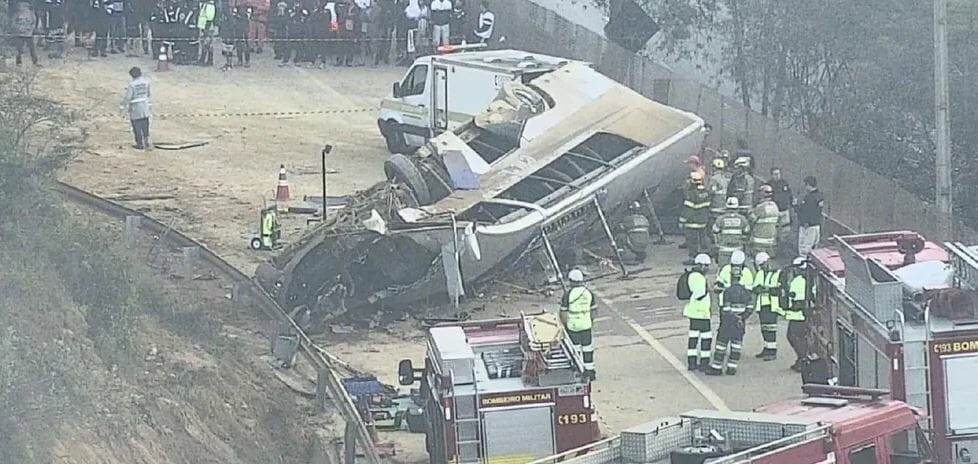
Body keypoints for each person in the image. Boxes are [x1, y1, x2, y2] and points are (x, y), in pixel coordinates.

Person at [706, 264, 753, 376]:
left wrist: (734, 317)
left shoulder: (728, 291)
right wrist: (741, 318)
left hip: (728, 323)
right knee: (736, 346)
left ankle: (717, 368)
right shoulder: (746, 292)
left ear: (732, 277)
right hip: (740, 324)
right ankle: (732, 368)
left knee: (721, 345)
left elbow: (726, 309)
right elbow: (750, 308)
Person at [560, 269, 596, 381]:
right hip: (586, 325)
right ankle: (590, 371)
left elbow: (563, 313)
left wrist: (565, 324)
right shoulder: (588, 293)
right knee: (588, 349)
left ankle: (577, 370)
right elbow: (594, 311)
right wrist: (589, 321)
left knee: (575, 350)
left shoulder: (568, 294)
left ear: (571, 281)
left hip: (573, 326)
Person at [683, 253, 712, 371]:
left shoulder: (691, 275)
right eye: (707, 266)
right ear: (701, 265)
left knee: (693, 337)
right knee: (706, 338)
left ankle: (692, 362)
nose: (708, 268)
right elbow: (700, 294)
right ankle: (704, 363)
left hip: (693, 312)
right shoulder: (699, 277)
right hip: (701, 313)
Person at [783, 257, 812, 372]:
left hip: (799, 314)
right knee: (797, 337)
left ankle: (803, 359)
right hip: (799, 314)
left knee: (794, 337)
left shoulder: (800, 280)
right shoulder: (805, 279)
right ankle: (801, 359)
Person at [752, 252, 780, 360]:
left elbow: (777, 288)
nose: (764, 266)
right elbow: (756, 288)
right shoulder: (760, 274)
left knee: (771, 328)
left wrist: (765, 289)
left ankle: (772, 351)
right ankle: (767, 348)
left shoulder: (776, 273)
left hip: (772, 304)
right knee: (764, 328)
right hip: (762, 304)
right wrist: (765, 289)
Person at [680, 171, 711, 265]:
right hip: (703, 221)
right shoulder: (705, 192)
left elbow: (688, 209)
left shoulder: (691, 194)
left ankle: (693, 258)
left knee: (692, 241)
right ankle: (704, 256)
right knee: (703, 240)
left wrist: (682, 220)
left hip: (692, 222)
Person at [712, 197, 750, 268]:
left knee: (723, 269)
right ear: (737, 208)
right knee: (737, 269)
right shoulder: (742, 219)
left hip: (724, 249)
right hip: (738, 248)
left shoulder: (720, 219)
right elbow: (747, 231)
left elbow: (715, 231)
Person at [120, 66, 152, 150]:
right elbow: (148, 94)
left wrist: (123, 106)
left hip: (135, 106)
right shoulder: (146, 82)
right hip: (145, 105)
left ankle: (140, 143)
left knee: (136, 125)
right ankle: (147, 141)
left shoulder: (132, 85)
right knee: (145, 124)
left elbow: (128, 97)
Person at [796, 176, 824, 258]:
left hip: (808, 227)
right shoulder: (819, 196)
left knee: (804, 248)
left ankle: (803, 266)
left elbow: (805, 211)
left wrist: (796, 206)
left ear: (808, 185)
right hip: (817, 225)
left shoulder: (810, 198)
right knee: (814, 248)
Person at [750, 184, 780, 260]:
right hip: (771, 241)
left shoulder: (760, 208)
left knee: (759, 261)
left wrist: (750, 212)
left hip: (759, 241)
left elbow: (751, 220)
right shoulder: (775, 206)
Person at [767, 167, 793, 244]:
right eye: (775, 174)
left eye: (778, 174)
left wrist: (791, 203)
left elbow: (789, 194)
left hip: (784, 210)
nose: (777, 176)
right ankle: (774, 242)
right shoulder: (769, 185)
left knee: (786, 229)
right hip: (775, 211)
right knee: (774, 228)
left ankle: (783, 243)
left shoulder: (784, 183)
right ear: (771, 175)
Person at [12, 0, 40, 66]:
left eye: (24, 6)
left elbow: (34, 22)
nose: (22, 7)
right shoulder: (17, 14)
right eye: (21, 6)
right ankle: (18, 62)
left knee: (32, 48)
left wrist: (31, 29)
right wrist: (18, 29)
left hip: (29, 33)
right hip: (19, 33)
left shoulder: (31, 13)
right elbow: (13, 23)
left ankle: (35, 61)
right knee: (19, 48)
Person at [196, 0, 216, 65]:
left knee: (207, 44)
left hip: (207, 28)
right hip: (203, 27)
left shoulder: (210, 5)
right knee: (205, 44)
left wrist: (205, 29)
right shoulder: (205, 4)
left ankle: (207, 60)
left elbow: (210, 18)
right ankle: (204, 59)